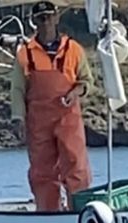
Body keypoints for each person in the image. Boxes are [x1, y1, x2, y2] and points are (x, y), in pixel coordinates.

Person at [10, 1, 94, 211]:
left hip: (68, 117)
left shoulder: (74, 49)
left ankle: (79, 210)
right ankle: (47, 213)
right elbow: (17, 90)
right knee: (42, 171)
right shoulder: (25, 53)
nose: (45, 22)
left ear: (56, 18)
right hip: (38, 121)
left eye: (49, 17)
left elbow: (87, 81)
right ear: (35, 22)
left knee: (76, 165)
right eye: (41, 18)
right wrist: (18, 117)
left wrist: (75, 92)